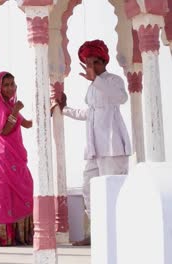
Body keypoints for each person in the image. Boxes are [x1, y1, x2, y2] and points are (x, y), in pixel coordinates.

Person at [53, 39, 131, 246]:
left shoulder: (112, 81)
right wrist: (65, 109)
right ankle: (97, 234)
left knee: (114, 192)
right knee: (88, 190)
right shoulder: (93, 88)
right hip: (94, 149)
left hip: (113, 148)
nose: (91, 67)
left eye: (95, 62)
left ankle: (118, 236)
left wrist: (95, 80)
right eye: (88, 63)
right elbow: (91, 114)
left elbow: (121, 98)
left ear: (103, 61)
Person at [0, 71, 34, 246]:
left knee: (25, 186)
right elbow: (3, 131)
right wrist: (16, 110)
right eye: (6, 85)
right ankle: (2, 238)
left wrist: (50, 108)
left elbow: (27, 124)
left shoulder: (9, 104)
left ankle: (20, 236)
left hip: (16, 156)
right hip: (1, 156)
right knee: (2, 194)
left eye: (13, 84)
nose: (11, 88)